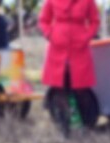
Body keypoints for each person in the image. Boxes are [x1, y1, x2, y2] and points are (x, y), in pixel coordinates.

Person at [38, 0, 99, 135]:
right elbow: (43, 19)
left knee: (82, 88)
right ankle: (64, 127)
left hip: (79, 47)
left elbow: (95, 21)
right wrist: (49, 34)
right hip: (57, 46)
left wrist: (86, 36)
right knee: (59, 88)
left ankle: (88, 125)